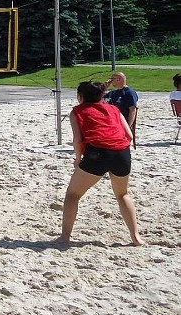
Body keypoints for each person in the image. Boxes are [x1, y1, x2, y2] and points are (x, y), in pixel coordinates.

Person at [59, 81, 144, 246]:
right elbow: (129, 136)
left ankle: (65, 237)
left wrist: (78, 159)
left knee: (73, 195)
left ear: (80, 96)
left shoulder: (77, 111)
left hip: (97, 153)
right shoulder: (114, 109)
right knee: (122, 194)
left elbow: (77, 140)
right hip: (122, 152)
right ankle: (136, 237)